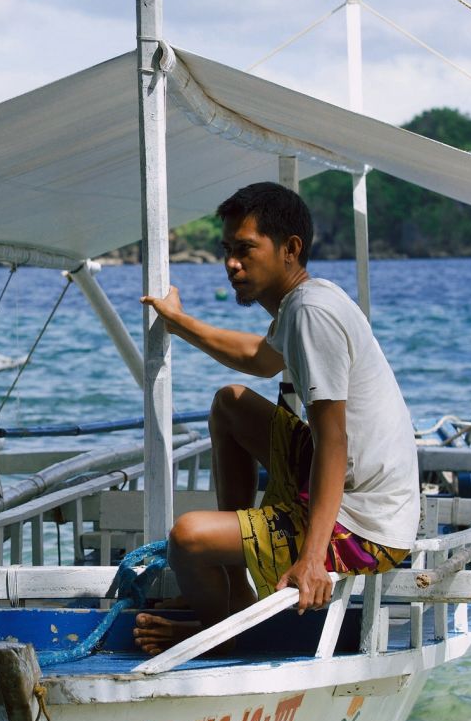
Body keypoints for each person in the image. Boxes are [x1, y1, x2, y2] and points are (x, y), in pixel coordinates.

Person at [135, 181, 419, 654]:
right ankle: (230, 583)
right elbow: (258, 359)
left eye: (245, 249)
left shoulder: (312, 314)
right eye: (227, 249)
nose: (231, 263)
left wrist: (312, 561)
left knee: (187, 538)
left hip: (366, 524)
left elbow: (334, 442)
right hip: (344, 484)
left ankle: (223, 634)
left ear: (290, 249)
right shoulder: (305, 302)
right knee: (231, 402)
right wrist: (177, 320)